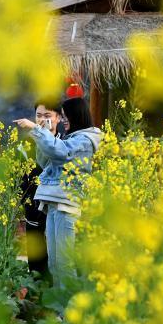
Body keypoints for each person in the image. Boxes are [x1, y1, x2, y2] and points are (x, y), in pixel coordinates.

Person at [14, 97, 102, 288]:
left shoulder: (84, 140)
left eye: (64, 116)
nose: (63, 120)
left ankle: (69, 312)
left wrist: (36, 130)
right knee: (54, 264)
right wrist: (42, 134)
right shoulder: (69, 139)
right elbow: (46, 162)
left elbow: (60, 152)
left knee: (64, 264)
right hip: (54, 202)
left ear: (76, 115)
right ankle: (61, 310)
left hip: (66, 205)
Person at [19, 101, 62, 281]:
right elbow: (21, 174)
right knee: (35, 258)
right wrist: (25, 200)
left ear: (58, 118)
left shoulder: (65, 143)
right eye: (38, 116)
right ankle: (35, 296)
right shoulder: (27, 144)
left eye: (47, 116)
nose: (43, 120)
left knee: (57, 257)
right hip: (33, 207)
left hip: (56, 208)